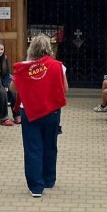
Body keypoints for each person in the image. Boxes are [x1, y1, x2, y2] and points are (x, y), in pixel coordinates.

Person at [12, 33, 68, 198]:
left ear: (31, 49)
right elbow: (65, 89)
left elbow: (13, 88)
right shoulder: (58, 65)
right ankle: (49, 179)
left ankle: (36, 187)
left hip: (29, 111)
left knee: (33, 147)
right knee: (50, 145)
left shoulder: (24, 67)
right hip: (51, 110)